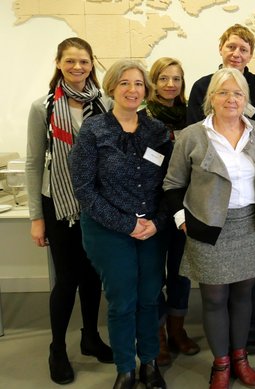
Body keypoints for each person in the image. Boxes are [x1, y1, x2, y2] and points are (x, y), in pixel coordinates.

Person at [164, 67, 255, 389]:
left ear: (246, 99)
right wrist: (183, 221)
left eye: (238, 93)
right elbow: (172, 185)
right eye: (223, 92)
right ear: (211, 97)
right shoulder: (192, 136)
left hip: (250, 225)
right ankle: (221, 364)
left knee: (244, 296)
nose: (231, 99)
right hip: (207, 228)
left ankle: (240, 358)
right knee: (214, 299)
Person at [70, 59, 172, 389]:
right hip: (108, 230)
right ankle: (125, 366)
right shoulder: (94, 130)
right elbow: (84, 188)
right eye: (125, 83)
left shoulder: (156, 131)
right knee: (122, 300)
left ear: (146, 90)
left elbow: (171, 183)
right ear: (112, 87)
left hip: (153, 231)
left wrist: (156, 223)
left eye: (139, 84)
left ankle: (150, 362)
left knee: (149, 298)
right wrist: (127, 224)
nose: (132, 90)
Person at [187, 23, 255, 354]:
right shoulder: (201, 89)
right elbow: (187, 155)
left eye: (244, 48)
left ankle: (247, 338)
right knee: (215, 293)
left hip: (250, 215)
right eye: (231, 47)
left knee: (250, 286)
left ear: (251, 54)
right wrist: (183, 218)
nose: (237, 53)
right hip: (209, 212)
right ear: (221, 49)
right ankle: (222, 357)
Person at [25, 37, 113, 385]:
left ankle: (90, 337)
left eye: (84, 62)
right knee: (67, 279)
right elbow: (34, 163)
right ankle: (57, 348)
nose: (78, 68)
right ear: (58, 63)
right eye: (70, 61)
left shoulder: (105, 104)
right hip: (58, 202)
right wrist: (36, 217)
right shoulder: (43, 107)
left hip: (97, 203)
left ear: (93, 64)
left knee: (93, 276)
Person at [146, 57, 200, 366]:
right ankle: (159, 337)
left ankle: (177, 330)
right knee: (154, 275)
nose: (170, 84)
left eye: (176, 79)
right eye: (163, 78)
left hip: (183, 207)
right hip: (153, 209)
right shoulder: (143, 117)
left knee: (181, 273)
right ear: (153, 82)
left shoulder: (191, 119)